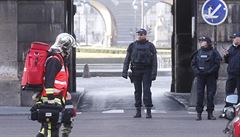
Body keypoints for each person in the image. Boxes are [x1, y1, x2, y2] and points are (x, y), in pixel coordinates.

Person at [33, 33, 76, 137]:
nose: (70, 51)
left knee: (46, 129)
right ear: (64, 47)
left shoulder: (59, 59)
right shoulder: (54, 60)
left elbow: (60, 81)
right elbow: (49, 80)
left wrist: (66, 94)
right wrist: (50, 99)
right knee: (52, 129)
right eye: (69, 48)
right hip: (51, 99)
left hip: (57, 98)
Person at [122, 28, 157, 118]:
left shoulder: (150, 46)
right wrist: (124, 71)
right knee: (137, 91)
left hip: (147, 70)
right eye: (139, 34)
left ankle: (148, 111)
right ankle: (138, 111)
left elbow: (154, 61)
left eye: (141, 34)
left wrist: (154, 73)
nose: (140, 36)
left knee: (146, 91)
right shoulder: (132, 46)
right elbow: (127, 59)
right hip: (136, 70)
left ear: (145, 35)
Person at [191, 36, 221, 121]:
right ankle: (199, 113)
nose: (201, 42)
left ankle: (210, 113)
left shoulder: (214, 52)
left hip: (211, 76)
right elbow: (193, 64)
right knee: (200, 94)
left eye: (203, 41)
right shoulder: (197, 52)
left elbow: (217, 64)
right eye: (200, 41)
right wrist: (197, 71)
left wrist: (210, 71)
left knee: (210, 95)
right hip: (200, 76)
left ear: (208, 42)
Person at [220, 32, 240, 118]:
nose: (233, 39)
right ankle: (227, 112)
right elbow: (228, 61)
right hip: (231, 74)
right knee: (229, 93)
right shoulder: (231, 48)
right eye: (233, 38)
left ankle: (238, 113)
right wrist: (226, 56)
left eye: (235, 38)